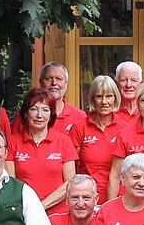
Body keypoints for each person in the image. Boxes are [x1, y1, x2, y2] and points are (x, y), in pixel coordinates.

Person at [8, 87, 79, 215]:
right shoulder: (12, 142)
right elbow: (10, 183)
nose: (39, 115)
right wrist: (29, 208)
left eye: (45, 110)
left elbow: (70, 183)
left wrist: (40, 206)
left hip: (58, 214)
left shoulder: (64, 141)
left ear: (51, 114)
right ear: (25, 113)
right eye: (34, 109)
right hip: (23, 212)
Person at [108, 80, 144, 199]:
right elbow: (115, 176)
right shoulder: (125, 134)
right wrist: (111, 208)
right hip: (129, 201)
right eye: (143, 101)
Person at [70, 75, 123, 205]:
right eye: (99, 96)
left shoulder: (125, 129)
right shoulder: (79, 128)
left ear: (115, 98)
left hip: (119, 199)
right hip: (86, 199)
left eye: (109, 96)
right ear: (93, 99)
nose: (104, 101)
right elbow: (71, 169)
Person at [38, 62, 86, 134]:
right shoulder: (28, 116)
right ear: (40, 82)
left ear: (66, 83)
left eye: (59, 79)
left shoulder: (79, 117)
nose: (54, 83)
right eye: (49, 78)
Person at [114, 61, 144, 125]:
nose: (128, 85)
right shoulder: (110, 111)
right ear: (117, 83)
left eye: (133, 80)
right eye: (124, 80)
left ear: (141, 84)